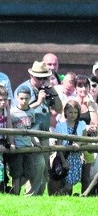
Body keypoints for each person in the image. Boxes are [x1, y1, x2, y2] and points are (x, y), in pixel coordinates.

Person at [13, 61, 63, 196]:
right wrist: (38, 102)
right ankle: (28, 195)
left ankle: (37, 197)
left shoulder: (47, 89)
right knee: (38, 164)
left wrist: (52, 91)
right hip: (29, 133)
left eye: (44, 78)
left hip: (44, 132)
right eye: (39, 78)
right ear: (31, 76)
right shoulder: (24, 89)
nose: (42, 81)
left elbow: (59, 109)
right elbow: (18, 112)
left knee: (44, 168)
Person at [8, 88, 44, 195]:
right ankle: (15, 194)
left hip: (28, 146)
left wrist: (35, 142)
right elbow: (10, 130)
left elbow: (30, 130)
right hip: (17, 147)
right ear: (17, 98)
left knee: (30, 172)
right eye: (21, 98)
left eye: (27, 98)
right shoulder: (12, 112)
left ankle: (13, 190)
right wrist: (12, 143)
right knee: (17, 173)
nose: (24, 101)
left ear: (30, 99)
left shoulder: (32, 112)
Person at [50, 100, 87, 195]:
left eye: (75, 112)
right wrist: (63, 161)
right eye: (70, 112)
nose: (73, 115)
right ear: (65, 112)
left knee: (73, 179)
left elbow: (85, 139)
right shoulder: (60, 126)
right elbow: (59, 145)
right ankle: (60, 194)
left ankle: (62, 194)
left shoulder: (81, 124)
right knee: (66, 180)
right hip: (65, 156)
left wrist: (79, 143)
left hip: (76, 157)